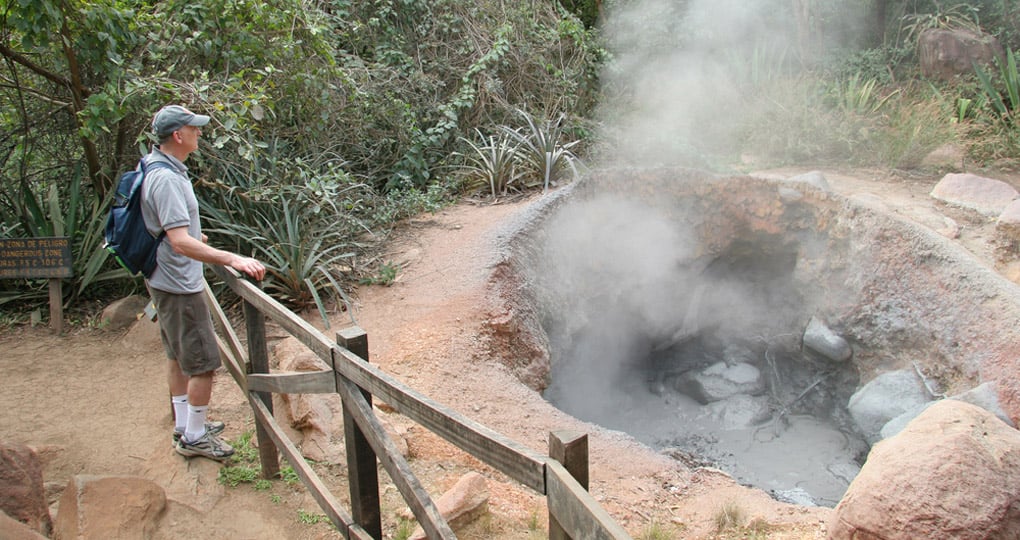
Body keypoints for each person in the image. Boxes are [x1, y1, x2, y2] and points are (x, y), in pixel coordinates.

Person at [141, 104, 266, 460]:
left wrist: (197, 238)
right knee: (203, 363)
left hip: (163, 278)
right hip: (179, 284)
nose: (199, 133)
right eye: (193, 128)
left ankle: (185, 425)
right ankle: (194, 438)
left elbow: (171, 231)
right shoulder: (166, 178)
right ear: (178, 136)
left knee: (177, 357)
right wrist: (232, 258)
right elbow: (179, 241)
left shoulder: (157, 166)